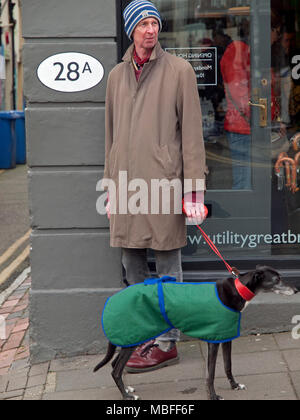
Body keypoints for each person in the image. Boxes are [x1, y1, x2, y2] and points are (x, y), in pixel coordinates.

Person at [102, 0, 206, 373]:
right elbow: (110, 137)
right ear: (132, 29)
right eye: (143, 23)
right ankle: (143, 332)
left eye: (154, 23)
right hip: (127, 185)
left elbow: (193, 135)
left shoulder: (179, 71)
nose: (150, 30)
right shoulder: (115, 76)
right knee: (132, 265)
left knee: (167, 263)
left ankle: (167, 341)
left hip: (164, 184)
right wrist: (111, 189)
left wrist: (193, 192)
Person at [220, 20, 251, 190]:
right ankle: (243, 215)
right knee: (243, 181)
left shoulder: (240, 50)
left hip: (242, 123)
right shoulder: (237, 50)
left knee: (246, 178)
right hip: (241, 124)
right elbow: (237, 87)